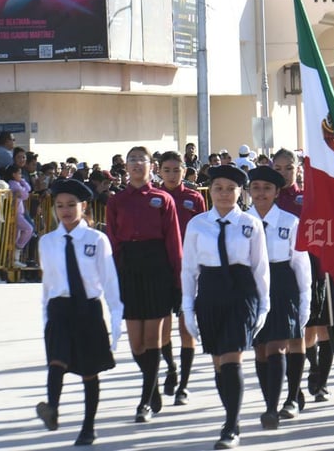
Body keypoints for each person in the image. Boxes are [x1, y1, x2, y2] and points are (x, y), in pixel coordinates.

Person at [181, 165, 269, 449]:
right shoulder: (197, 224)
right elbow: (189, 269)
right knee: (219, 362)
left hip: (241, 293)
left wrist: (263, 305)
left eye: (230, 188)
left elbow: (260, 268)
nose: (223, 194)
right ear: (210, 190)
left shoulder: (250, 224)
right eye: (218, 188)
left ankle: (231, 427)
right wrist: (187, 307)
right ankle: (232, 414)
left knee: (232, 359)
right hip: (210, 291)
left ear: (239, 191)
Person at [35, 179, 122, 446]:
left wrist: (115, 321)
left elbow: (109, 282)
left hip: (88, 308)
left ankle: (88, 427)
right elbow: (48, 284)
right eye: (60, 206)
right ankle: (52, 408)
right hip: (59, 307)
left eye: (72, 205)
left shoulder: (97, 239)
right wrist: (45, 319)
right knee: (56, 361)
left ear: (83, 207)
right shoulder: (48, 242)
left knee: (88, 370)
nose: (66, 210)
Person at [105, 146, 183, 423]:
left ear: (152, 166)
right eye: (132, 160)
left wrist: (178, 281)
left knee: (152, 340)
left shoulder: (163, 199)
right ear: (125, 167)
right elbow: (112, 241)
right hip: (129, 270)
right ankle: (154, 386)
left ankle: (144, 402)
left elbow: (174, 242)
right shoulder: (116, 201)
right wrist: (112, 277)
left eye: (142, 160)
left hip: (157, 269)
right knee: (136, 344)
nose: (137, 164)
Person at [247, 165, 311, 429]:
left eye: (267, 189)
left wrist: (305, 299)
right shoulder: (242, 221)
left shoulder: (289, 222)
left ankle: (284, 402)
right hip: (251, 286)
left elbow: (300, 264)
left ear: (276, 192)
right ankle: (270, 399)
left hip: (282, 284)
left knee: (279, 346)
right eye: (256, 188)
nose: (261, 194)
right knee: (261, 349)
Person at [273, 148, 333, 403]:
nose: (284, 173)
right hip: (284, 273)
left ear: (298, 168)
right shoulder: (268, 199)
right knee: (294, 333)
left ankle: (319, 377)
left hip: (315, 268)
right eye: (278, 169)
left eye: (289, 168)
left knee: (321, 329)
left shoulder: (309, 197)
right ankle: (296, 384)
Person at [157, 151, 207, 406]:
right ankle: (171, 367)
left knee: (186, 329)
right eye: (167, 170)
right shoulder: (155, 198)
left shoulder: (194, 198)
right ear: (159, 171)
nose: (172, 175)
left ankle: (183, 386)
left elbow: (205, 232)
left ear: (184, 170)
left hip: (190, 271)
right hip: (163, 272)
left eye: (177, 170)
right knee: (162, 332)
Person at [5, 164, 34, 268]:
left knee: (16, 236)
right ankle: (18, 248)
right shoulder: (13, 184)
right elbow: (25, 195)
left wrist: (22, 181)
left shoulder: (18, 183)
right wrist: (23, 185)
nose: (21, 175)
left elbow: (28, 189)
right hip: (15, 213)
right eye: (19, 173)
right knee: (28, 229)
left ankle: (14, 259)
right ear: (13, 174)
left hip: (19, 213)